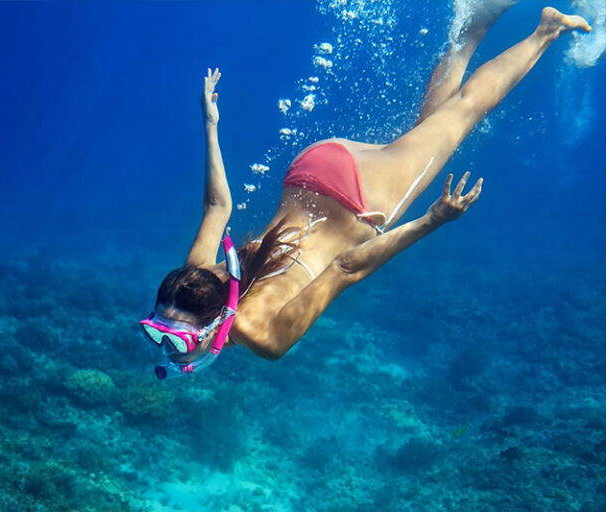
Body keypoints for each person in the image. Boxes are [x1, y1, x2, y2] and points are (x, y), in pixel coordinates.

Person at [140, 6, 591, 379]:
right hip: (310, 170)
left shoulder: (263, 336)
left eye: (173, 338)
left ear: (212, 323)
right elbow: (217, 205)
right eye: (160, 332)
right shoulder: (196, 275)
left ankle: (546, 30)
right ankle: (474, 22)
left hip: (361, 200)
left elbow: (346, 267)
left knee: (464, 113)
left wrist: (432, 221)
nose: (167, 348)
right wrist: (211, 125)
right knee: (429, 129)